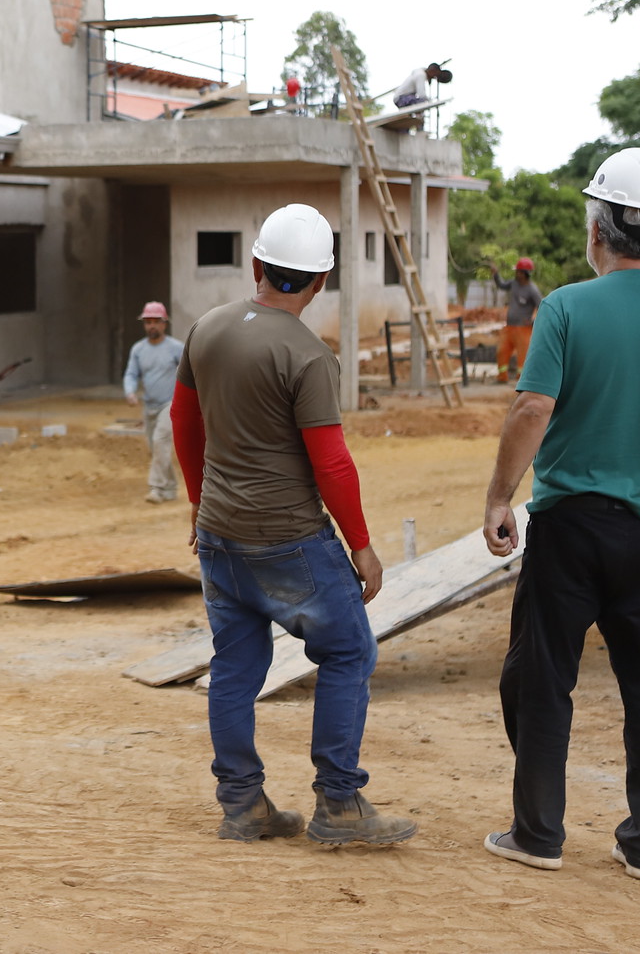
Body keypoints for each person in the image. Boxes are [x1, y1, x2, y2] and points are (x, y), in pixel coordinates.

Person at [478, 146, 640, 881]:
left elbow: (532, 408)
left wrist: (500, 496)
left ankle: (538, 833)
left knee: (540, 680)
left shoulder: (566, 306)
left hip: (568, 529)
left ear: (598, 229)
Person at [171, 204, 416, 848]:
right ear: (322, 281)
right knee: (349, 651)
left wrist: (198, 503)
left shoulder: (205, 330)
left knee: (235, 665)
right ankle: (339, 803)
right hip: (290, 541)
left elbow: (184, 422)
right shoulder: (309, 357)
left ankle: (243, 805)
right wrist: (361, 545)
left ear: (256, 265)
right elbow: (331, 463)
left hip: (219, 536)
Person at [123, 302, 184, 502]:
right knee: (157, 448)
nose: (152, 326)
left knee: (160, 441)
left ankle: (156, 488)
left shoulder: (176, 348)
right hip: (149, 406)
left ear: (164, 323)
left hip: (170, 404)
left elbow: (191, 372)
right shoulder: (138, 349)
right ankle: (170, 488)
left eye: (156, 322)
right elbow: (131, 374)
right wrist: (130, 391)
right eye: (148, 322)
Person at [488, 257, 543, 384]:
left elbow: (542, 306)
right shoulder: (513, 283)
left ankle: (522, 381)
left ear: (525, 273)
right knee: (502, 351)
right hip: (509, 327)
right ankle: (502, 377)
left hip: (523, 329)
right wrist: (495, 274)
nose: (516, 273)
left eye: (518, 271)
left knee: (523, 356)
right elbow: (501, 285)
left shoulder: (532, 290)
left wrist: (534, 321)